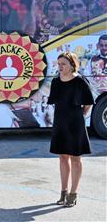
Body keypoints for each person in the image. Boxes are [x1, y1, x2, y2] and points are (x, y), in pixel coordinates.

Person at [47, 52, 94, 207]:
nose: (60, 67)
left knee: (75, 158)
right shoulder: (55, 82)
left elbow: (88, 102)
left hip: (76, 124)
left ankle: (73, 194)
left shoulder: (80, 81)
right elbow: (54, 102)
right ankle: (63, 192)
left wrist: (80, 117)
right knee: (62, 157)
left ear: (72, 65)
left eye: (63, 64)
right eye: (58, 63)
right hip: (60, 123)